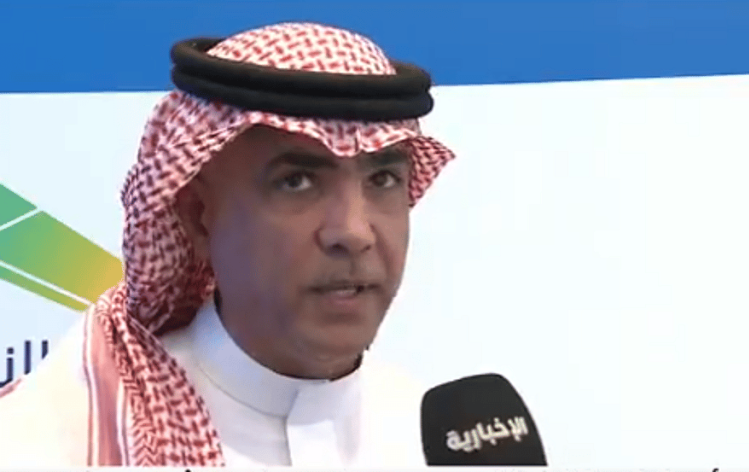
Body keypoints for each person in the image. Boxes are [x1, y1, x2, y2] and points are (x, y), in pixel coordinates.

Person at [0, 22, 456, 467]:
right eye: (296, 181)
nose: (354, 232)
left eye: (383, 179)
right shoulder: (54, 442)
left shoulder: (445, 443)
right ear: (199, 216)